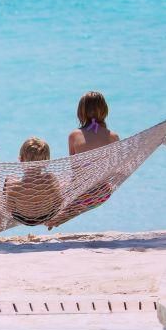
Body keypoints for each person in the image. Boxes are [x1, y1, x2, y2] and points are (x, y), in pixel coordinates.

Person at [48, 91, 120, 228]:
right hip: (103, 193)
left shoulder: (74, 136)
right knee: (80, 197)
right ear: (104, 111)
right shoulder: (113, 137)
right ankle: (62, 215)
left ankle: (56, 216)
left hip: (82, 194)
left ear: (80, 113)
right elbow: (115, 168)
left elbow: (74, 169)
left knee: (55, 183)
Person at [6, 137, 61, 227]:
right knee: (60, 183)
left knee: (9, 178)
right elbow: (59, 202)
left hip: (22, 218)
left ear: (21, 159)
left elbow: (9, 208)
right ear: (46, 162)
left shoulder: (14, 187)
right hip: (47, 216)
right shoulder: (50, 180)